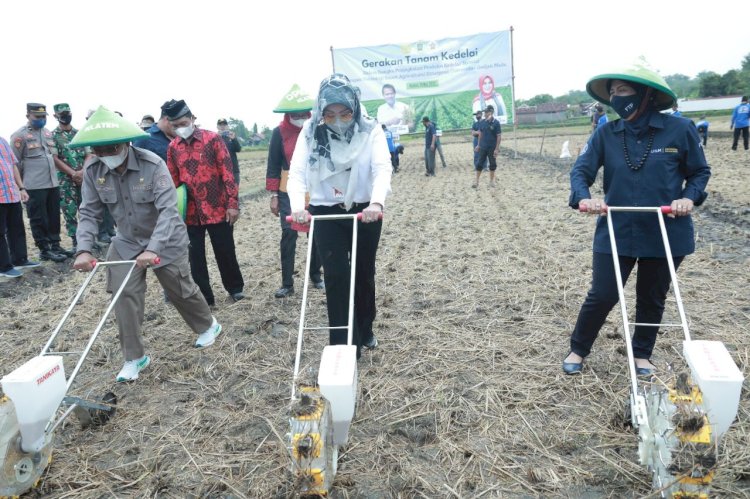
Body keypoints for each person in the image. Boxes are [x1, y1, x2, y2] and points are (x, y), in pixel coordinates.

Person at [562, 61, 711, 376]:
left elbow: (700, 171)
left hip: (665, 228)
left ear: (645, 95)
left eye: (623, 91)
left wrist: (688, 197)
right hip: (617, 228)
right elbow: (581, 171)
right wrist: (584, 198)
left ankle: (642, 354)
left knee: (651, 296)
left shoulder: (680, 130)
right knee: (603, 293)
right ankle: (579, 348)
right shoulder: (606, 133)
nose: (616, 97)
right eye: (612, 92)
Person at [69, 107, 223, 382]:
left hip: (166, 238)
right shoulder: (93, 170)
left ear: (126, 143)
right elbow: (90, 212)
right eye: (99, 150)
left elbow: (168, 211)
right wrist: (83, 249)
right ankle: (134, 357)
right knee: (123, 296)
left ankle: (207, 325)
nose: (106, 155)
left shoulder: (152, 165)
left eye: (111, 148)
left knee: (179, 289)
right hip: (127, 240)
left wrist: (154, 249)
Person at [287, 73, 392, 358]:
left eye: (344, 113)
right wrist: (299, 207)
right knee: (335, 276)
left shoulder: (370, 130)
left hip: (364, 210)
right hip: (325, 212)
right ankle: (343, 346)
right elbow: (296, 172)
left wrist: (377, 204)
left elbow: (382, 168)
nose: (336, 120)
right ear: (320, 111)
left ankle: (365, 327)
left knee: (362, 273)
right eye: (329, 114)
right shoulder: (310, 133)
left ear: (354, 108)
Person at [165, 99, 245, 306]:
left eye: (183, 123)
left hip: (217, 207)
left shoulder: (213, 139)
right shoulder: (173, 147)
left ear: (192, 119)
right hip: (190, 213)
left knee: (225, 251)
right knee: (195, 258)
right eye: (175, 126)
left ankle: (235, 289)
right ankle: (205, 298)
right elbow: (173, 180)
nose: (180, 129)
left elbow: (227, 172)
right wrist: (174, 212)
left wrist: (232, 204)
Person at [266, 84, 324, 298]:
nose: (300, 117)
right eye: (295, 114)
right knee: (289, 233)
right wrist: (273, 195)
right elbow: (273, 164)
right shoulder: (279, 133)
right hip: (287, 189)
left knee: (315, 232)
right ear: (287, 114)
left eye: (303, 113)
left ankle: (316, 276)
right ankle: (287, 283)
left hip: (315, 187)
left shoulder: (317, 128)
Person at [10, 103, 68, 262]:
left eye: (44, 117)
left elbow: (52, 157)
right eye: (38, 117)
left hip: (52, 182)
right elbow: (14, 162)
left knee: (54, 216)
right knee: (38, 217)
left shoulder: (47, 133)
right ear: (28, 115)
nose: (41, 120)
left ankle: (55, 245)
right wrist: (20, 186)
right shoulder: (19, 136)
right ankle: (44, 249)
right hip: (33, 185)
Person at [0, 136, 40, 278]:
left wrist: (21, 188)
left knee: (16, 228)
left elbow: (13, 165)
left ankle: (20, 259)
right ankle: (4, 267)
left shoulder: (2, 141)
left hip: (11, 193)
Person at [51, 103, 87, 254]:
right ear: (55, 116)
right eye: (62, 114)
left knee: (86, 209)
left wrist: (83, 171)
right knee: (69, 210)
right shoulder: (53, 136)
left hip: (84, 177)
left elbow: (89, 154)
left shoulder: (80, 134)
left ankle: (88, 239)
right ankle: (75, 241)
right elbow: (54, 158)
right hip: (65, 180)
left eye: (68, 112)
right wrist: (73, 173)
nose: (66, 116)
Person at [473, 105, 502, 188]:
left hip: (492, 148)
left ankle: (491, 182)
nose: (485, 114)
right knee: (479, 164)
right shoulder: (482, 122)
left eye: (486, 112)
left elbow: (499, 136)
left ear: (491, 112)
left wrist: (496, 149)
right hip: (483, 147)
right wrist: (478, 145)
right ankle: (477, 182)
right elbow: (480, 134)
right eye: (484, 112)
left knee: (492, 164)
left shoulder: (496, 123)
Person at [216, 118, 242, 186]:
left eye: (224, 124)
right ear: (217, 127)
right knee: (222, 194)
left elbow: (238, 149)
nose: (222, 126)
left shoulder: (231, 137)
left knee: (234, 193)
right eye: (220, 125)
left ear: (227, 126)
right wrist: (217, 137)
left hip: (233, 170)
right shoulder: (214, 138)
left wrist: (234, 139)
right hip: (220, 172)